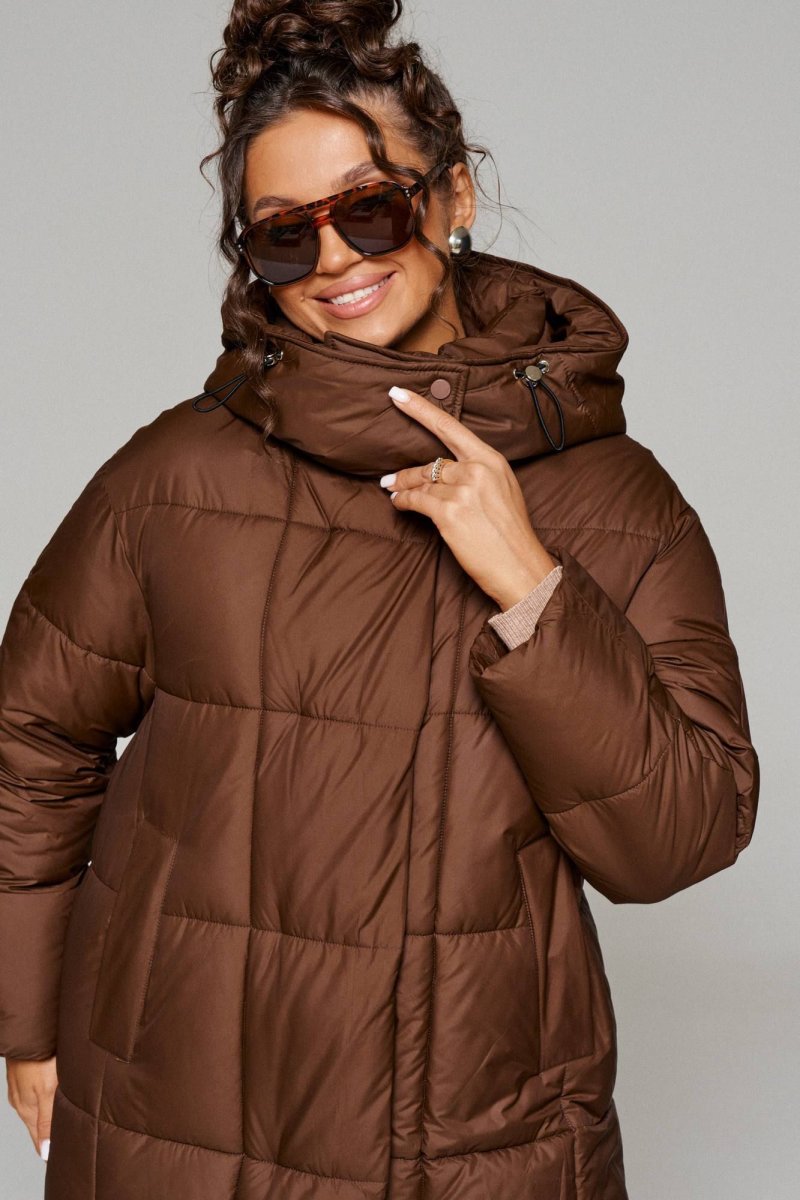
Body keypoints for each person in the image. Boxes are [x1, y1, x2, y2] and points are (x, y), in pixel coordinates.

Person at [0, 2, 759, 1197]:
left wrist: (531, 588)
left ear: (451, 195)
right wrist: (28, 1025)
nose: (336, 261)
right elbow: (32, 739)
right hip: (176, 1117)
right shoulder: (174, 479)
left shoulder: (615, 502)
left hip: (467, 1136)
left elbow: (678, 837)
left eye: (368, 208)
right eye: (282, 235)